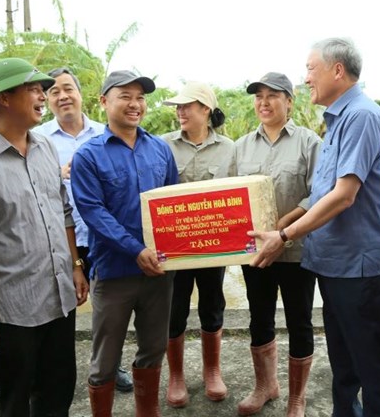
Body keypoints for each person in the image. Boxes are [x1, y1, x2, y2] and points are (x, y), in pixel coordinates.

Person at [248, 38, 380, 416]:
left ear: (337, 70)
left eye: (310, 69)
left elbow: (343, 195)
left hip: (359, 264)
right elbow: (321, 192)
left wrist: (284, 235)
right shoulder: (337, 120)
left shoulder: (361, 116)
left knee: (372, 363)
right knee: (345, 361)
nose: (306, 79)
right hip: (335, 262)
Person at [0, 57, 89, 417]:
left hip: (58, 297)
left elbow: (64, 212)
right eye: (34, 89)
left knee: (58, 392)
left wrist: (75, 265)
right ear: (4, 98)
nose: (44, 95)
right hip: (11, 311)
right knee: (15, 400)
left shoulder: (44, 148)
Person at [72, 70, 179, 416]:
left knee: (153, 348)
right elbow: (93, 213)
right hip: (115, 272)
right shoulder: (88, 155)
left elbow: (173, 205)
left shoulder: (160, 149)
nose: (135, 104)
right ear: (104, 102)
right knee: (104, 359)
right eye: (125, 96)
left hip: (158, 273)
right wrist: (137, 250)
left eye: (141, 97)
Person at [32, 68, 133, 393]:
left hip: (107, 238)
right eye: (54, 92)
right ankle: (57, 371)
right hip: (64, 238)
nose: (62, 97)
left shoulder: (107, 134)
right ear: (47, 100)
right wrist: (57, 174)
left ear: (81, 93)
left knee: (112, 309)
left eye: (68, 89)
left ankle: (111, 365)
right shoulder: (40, 140)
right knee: (62, 302)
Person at [232, 72, 321, 417]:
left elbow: (319, 194)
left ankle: (296, 399)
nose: (264, 103)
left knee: (300, 321)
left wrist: (283, 227)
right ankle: (265, 386)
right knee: (259, 317)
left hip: (296, 249)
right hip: (254, 252)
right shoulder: (240, 146)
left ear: (289, 101)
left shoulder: (309, 142)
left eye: (273, 96)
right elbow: (230, 198)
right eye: (259, 97)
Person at [160, 81, 233, 407]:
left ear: (205, 109)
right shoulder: (163, 146)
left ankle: (212, 371)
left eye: (186, 105)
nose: (180, 111)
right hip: (174, 250)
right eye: (177, 106)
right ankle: (175, 377)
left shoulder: (230, 149)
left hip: (215, 248)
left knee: (212, 304)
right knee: (174, 310)